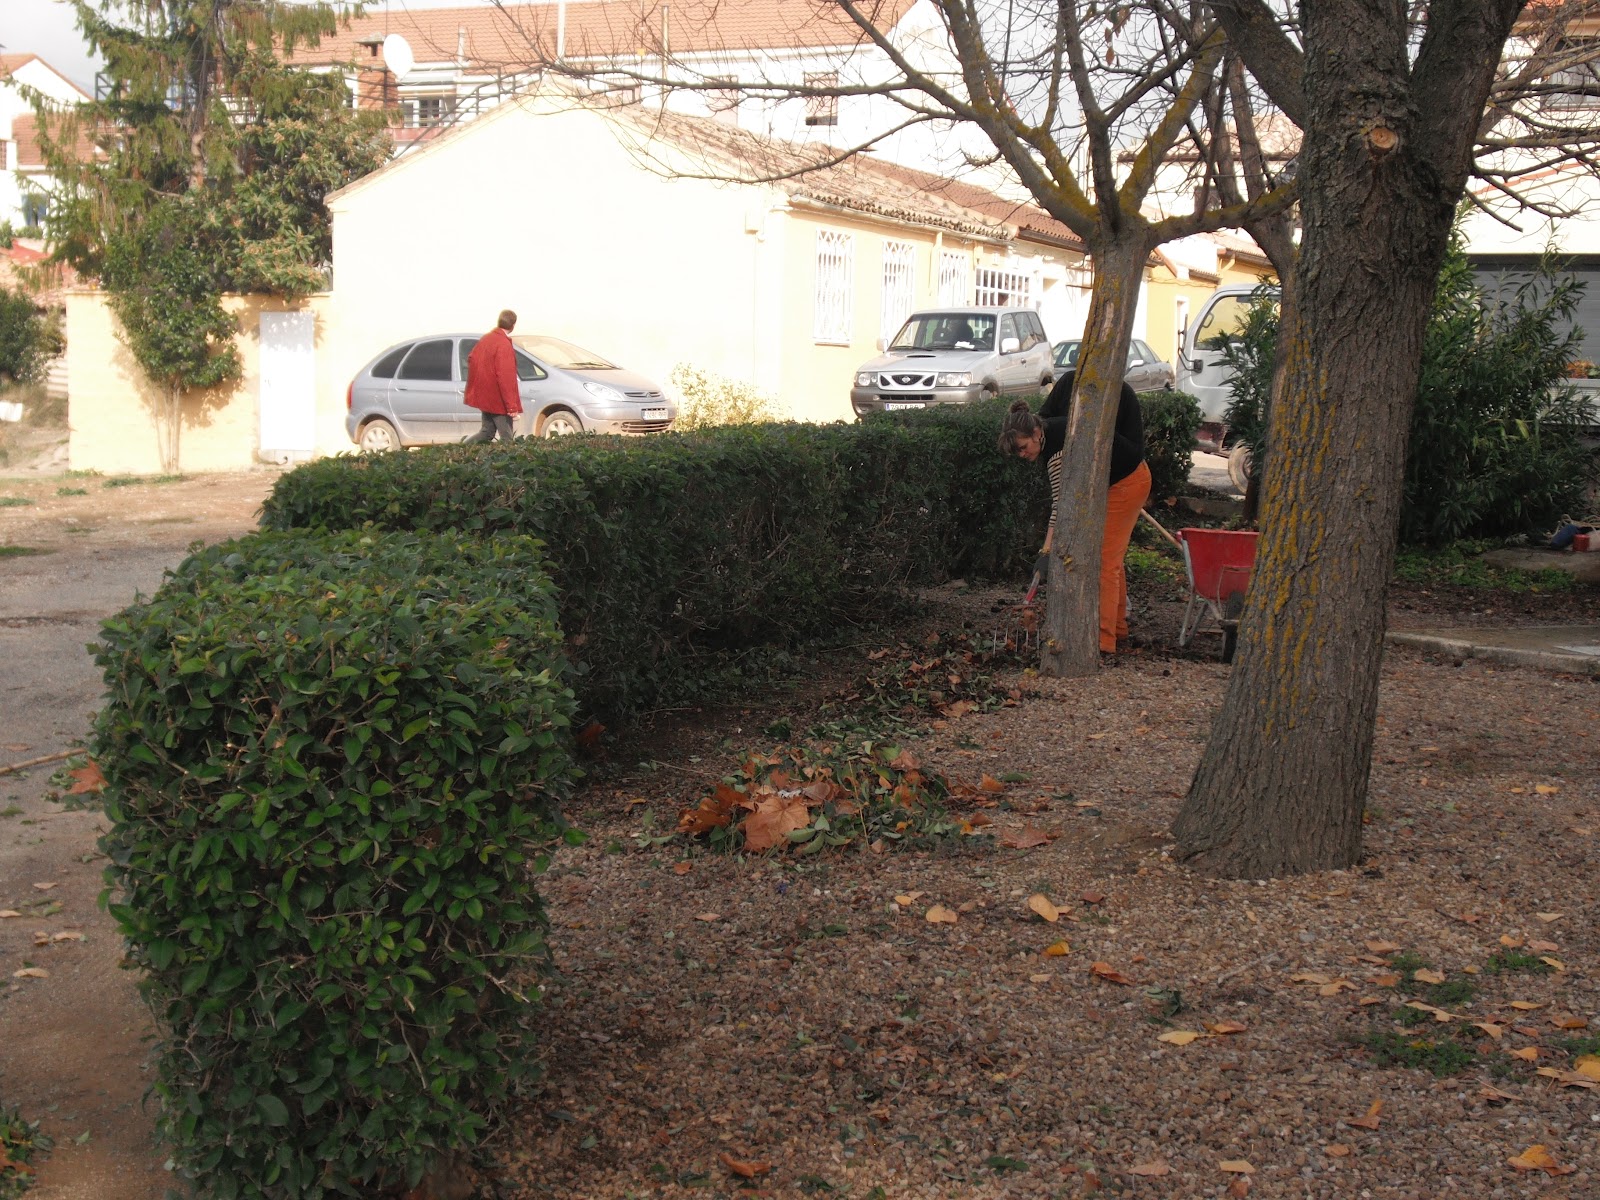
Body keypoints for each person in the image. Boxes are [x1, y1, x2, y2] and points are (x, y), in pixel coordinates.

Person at [998, 364, 1152, 655]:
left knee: (1105, 559)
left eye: (1022, 447)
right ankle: (1117, 629)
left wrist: (1045, 552)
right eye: (1016, 452)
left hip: (1127, 481)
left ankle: (1103, 642)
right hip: (1114, 478)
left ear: (1034, 432)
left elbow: (1060, 506)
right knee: (1111, 558)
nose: (1022, 455)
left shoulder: (1056, 451)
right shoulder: (1051, 420)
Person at [464, 309, 523, 443]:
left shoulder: (486, 339)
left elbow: (472, 359)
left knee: (487, 432)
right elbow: (505, 377)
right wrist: (512, 407)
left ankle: (462, 451)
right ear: (513, 326)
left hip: (486, 396)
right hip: (498, 399)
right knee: (507, 438)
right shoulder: (503, 344)